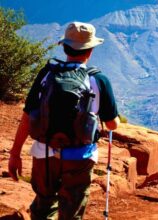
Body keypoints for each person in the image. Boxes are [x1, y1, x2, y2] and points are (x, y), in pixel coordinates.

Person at [8, 22, 120, 219]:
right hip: (79, 158)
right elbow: (112, 125)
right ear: (90, 50)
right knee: (71, 211)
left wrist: (15, 154)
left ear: (64, 46)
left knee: (43, 204)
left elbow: (28, 115)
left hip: (44, 154)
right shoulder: (98, 80)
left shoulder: (47, 74)